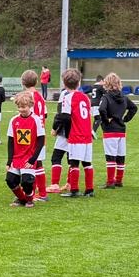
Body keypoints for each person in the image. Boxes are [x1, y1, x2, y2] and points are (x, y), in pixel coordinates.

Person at [58, 69, 97, 198]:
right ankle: (89, 189)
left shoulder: (68, 98)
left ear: (64, 84)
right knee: (87, 163)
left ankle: (74, 189)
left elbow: (65, 117)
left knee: (74, 162)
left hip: (76, 135)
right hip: (87, 135)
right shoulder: (85, 97)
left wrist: (68, 134)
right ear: (79, 83)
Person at [96, 72, 137, 188]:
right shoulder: (124, 97)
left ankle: (110, 182)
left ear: (107, 84)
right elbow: (134, 108)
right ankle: (119, 180)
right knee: (120, 155)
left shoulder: (106, 97)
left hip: (110, 130)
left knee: (110, 156)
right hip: (121, 129)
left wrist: (105, 121)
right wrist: (125, 119)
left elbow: (101, 109)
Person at [5, 91, 44, 206]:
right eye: (19, 107)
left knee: (27, 182)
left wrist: (33, 159)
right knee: (10, 180)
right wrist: (9, 161)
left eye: (24, 107)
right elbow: (11, 141)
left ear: (30, 105)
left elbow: (41, 141)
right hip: (17, 157)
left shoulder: (36, 120)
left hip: (29, 157)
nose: (21, 109)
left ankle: (29, 199)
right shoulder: (14, 120)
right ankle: (23, 199)